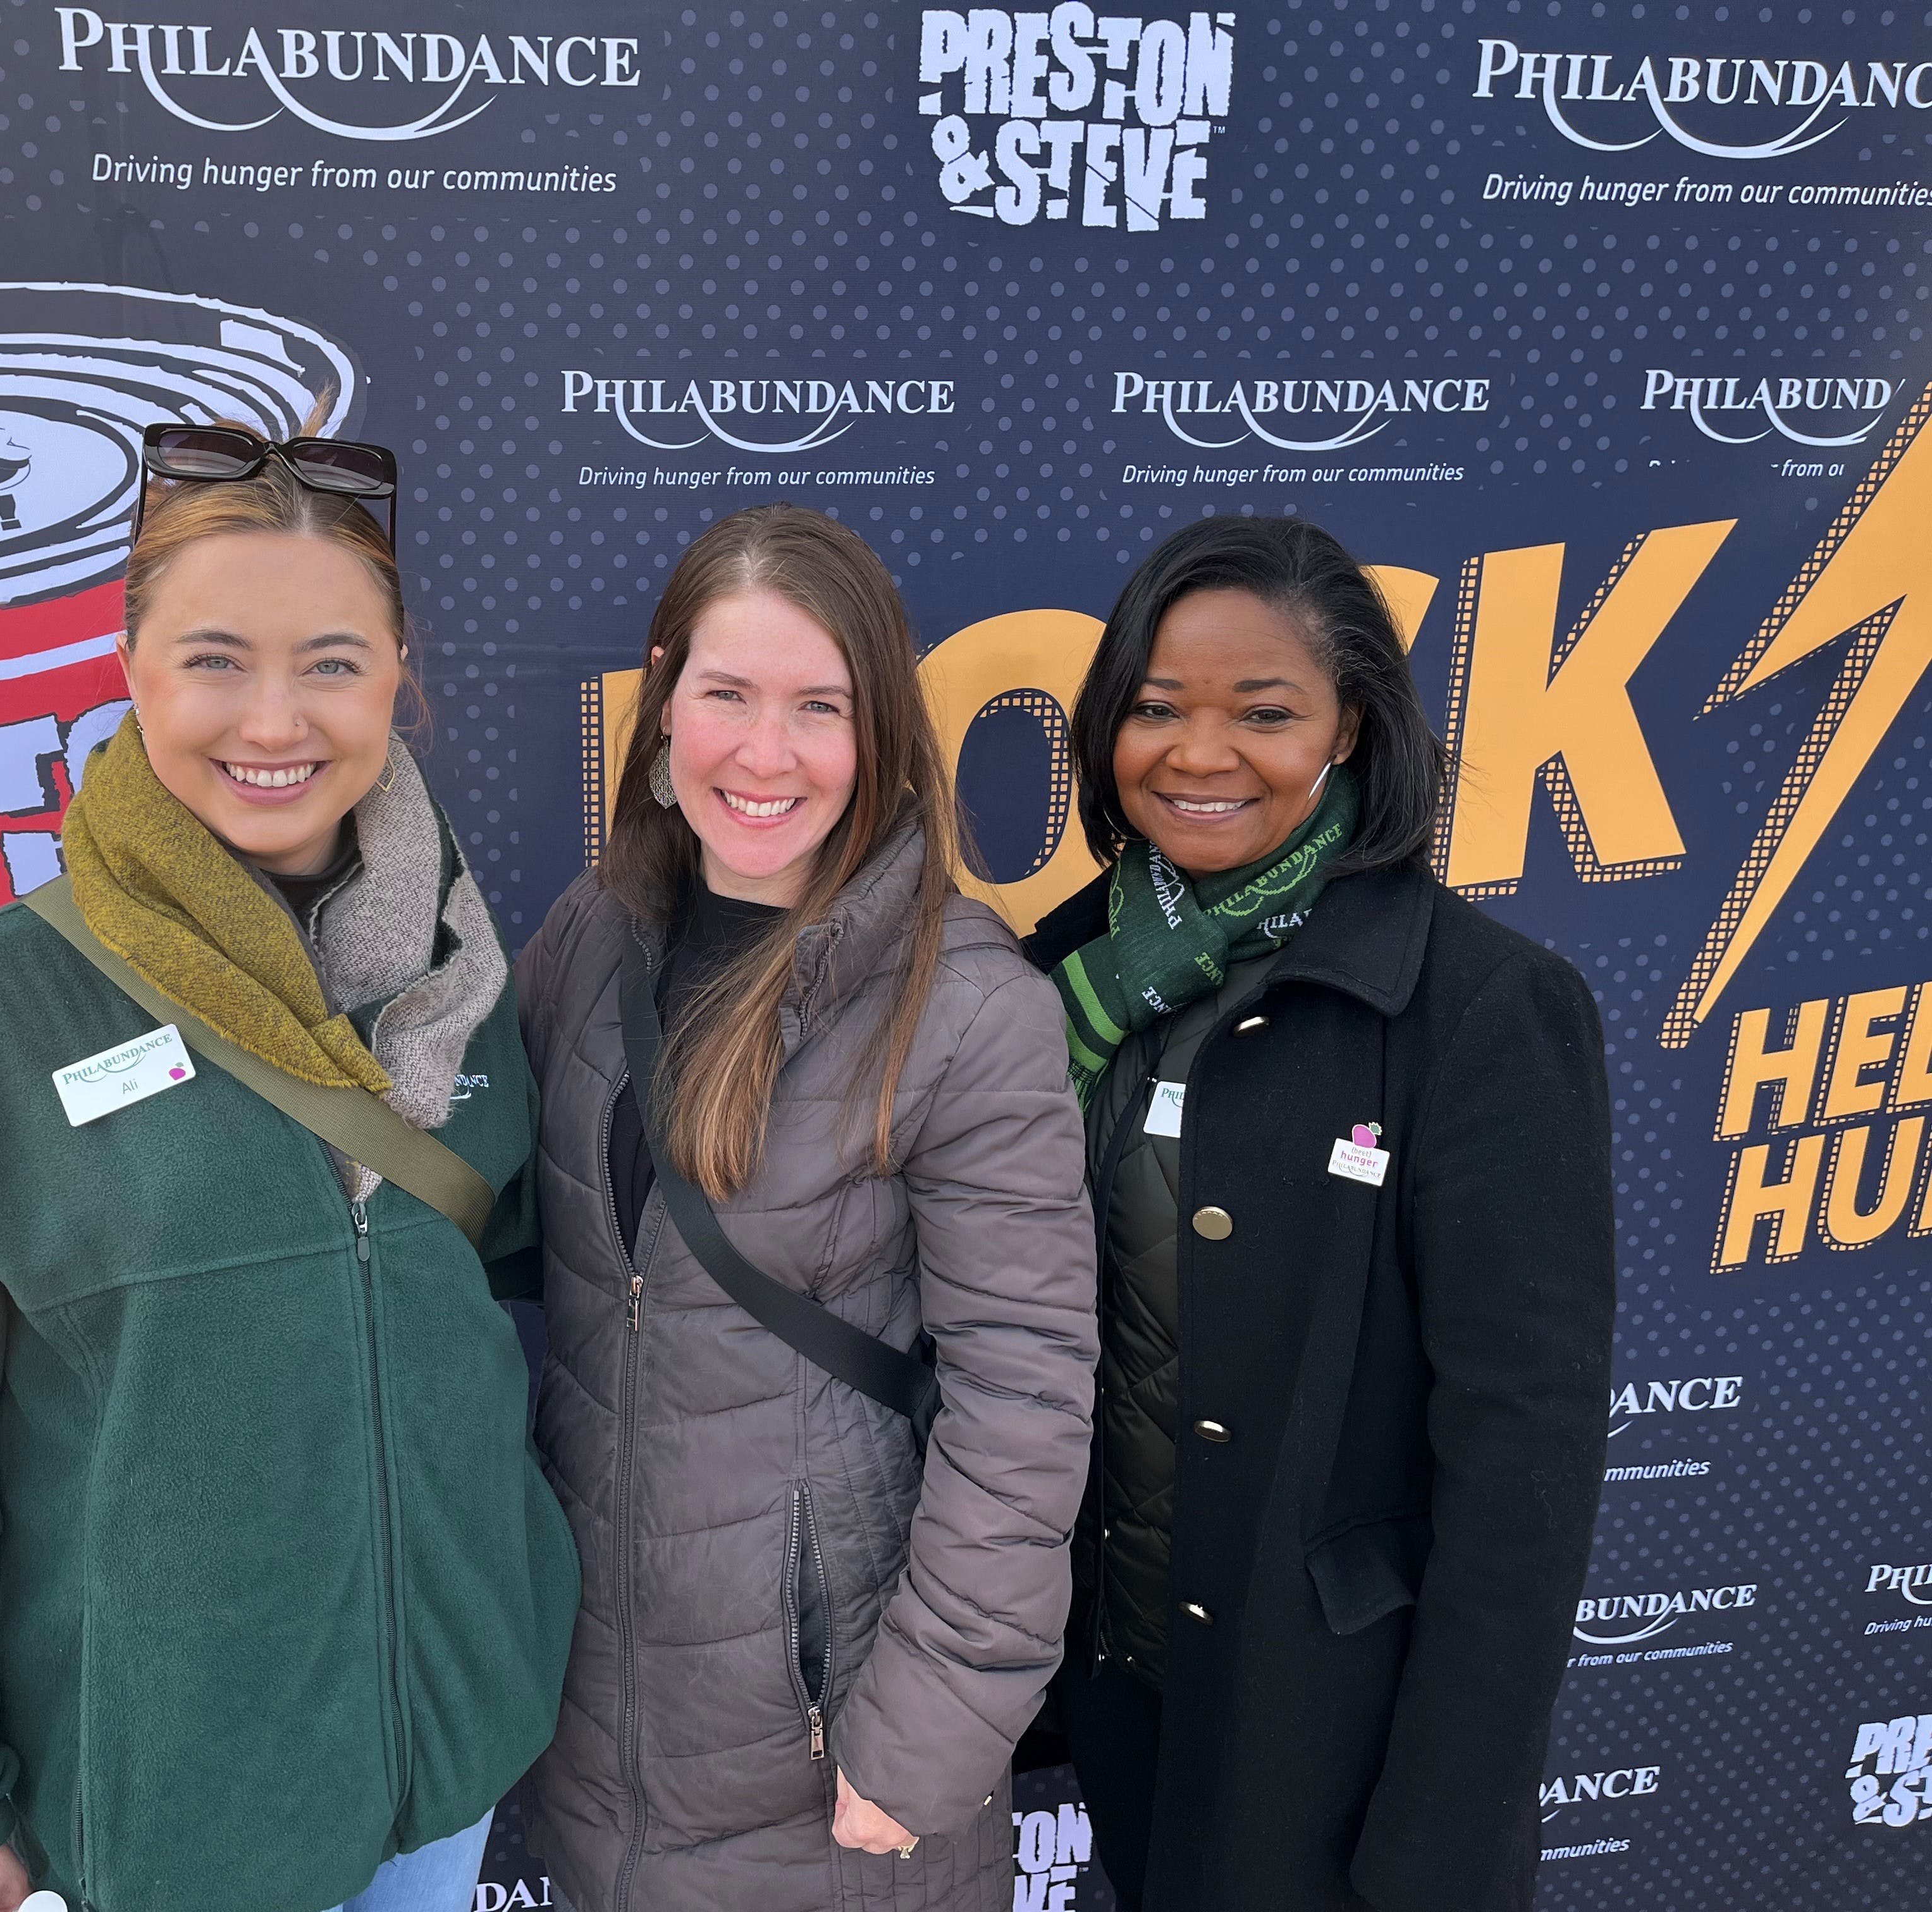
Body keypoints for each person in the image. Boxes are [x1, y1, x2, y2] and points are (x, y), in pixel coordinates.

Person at [0, 419, 579, 1912]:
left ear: (400, 673)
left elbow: (482, 1301)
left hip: (452, 1771)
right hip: (172, 1830)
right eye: (216, 658)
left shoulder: (461, 979)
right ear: (133, 667)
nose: (274, 717)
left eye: (333, 661)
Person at [1024, 515, 1616, 1911]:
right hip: (1126, 1691)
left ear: (1349, 726)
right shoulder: (1063, 981)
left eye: (1265, 712)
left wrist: (1449, 1828)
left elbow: (1521, 1471)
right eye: (1155, 709)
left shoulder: (1480, 1011)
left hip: (1334, 1734)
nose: (1200, 754)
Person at [513, 504, 1098, 1910]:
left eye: (818, 707)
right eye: (726, 695)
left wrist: (927, 1732)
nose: (764, 754)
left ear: (880, 730)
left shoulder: (962, 1008)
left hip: (829, 1752)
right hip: (598, 1720)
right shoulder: (592, 936)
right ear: (664, 703)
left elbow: (1024, 1399)